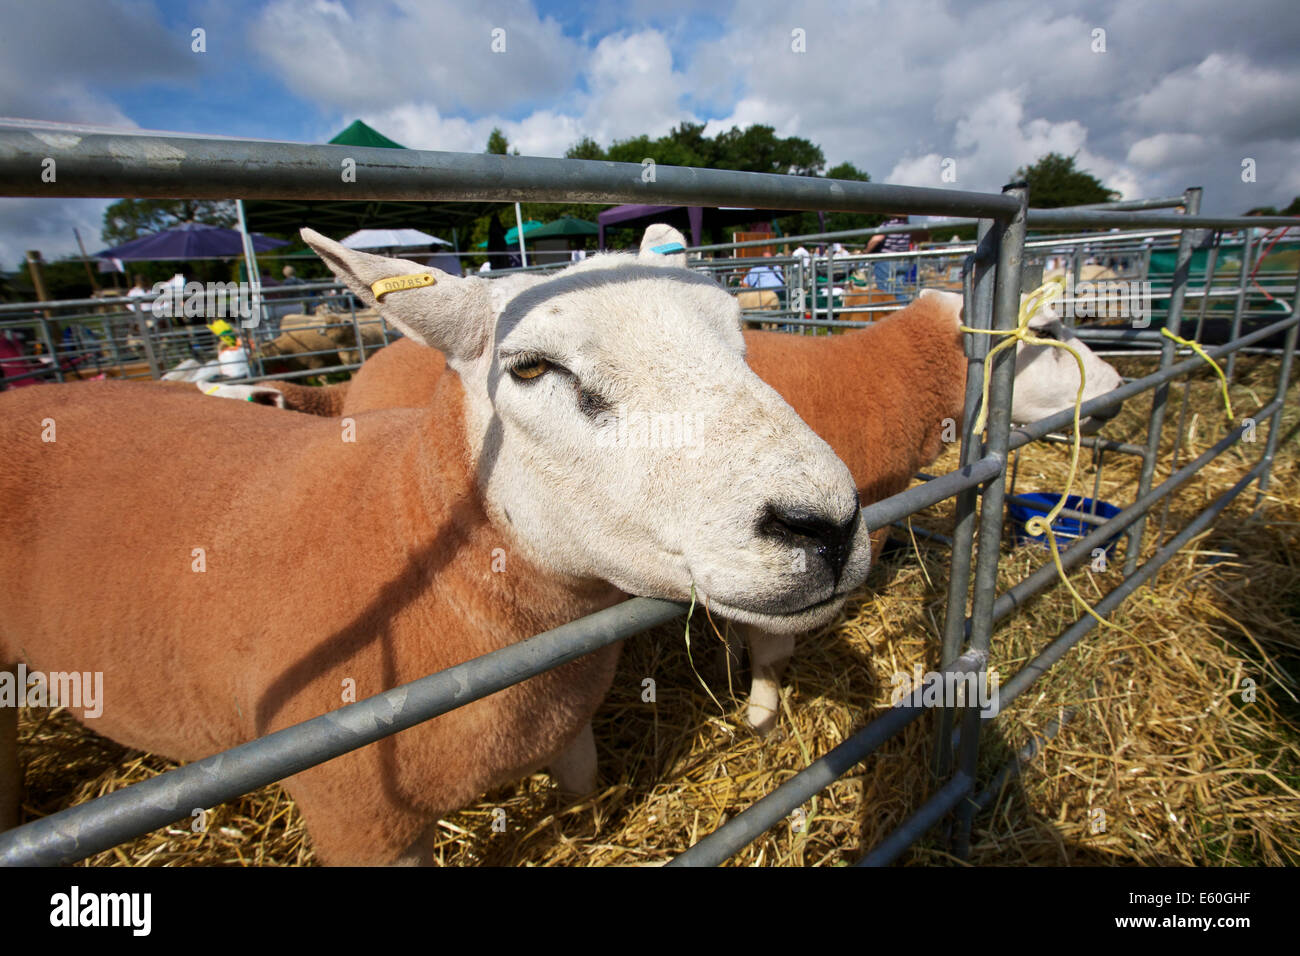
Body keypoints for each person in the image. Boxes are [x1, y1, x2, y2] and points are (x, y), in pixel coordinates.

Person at [866, 214, 914, 303]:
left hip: (886, 260)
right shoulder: (907, 225)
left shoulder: (888, 225)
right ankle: (902, 311)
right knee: (900, 289)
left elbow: (876, 239)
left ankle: (888, 312)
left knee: (885, 290)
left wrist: (866, 252)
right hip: (902, 260)